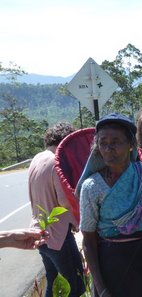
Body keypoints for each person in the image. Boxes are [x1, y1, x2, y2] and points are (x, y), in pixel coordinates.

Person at [77, 113, 142, 297]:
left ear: (131, 144)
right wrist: (101, 289)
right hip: (112, 264)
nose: (109, 148)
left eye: (116, 142)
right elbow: (89, 240)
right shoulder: (92, 187)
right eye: (103, 143)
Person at [28, 122, 85, 297]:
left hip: (40, 231)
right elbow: (65, 202)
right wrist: (79, 220)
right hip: (58, 236)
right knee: (74, 285)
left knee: (54, 282)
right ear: (66, 142)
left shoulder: (37, 157)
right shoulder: (56, 162)